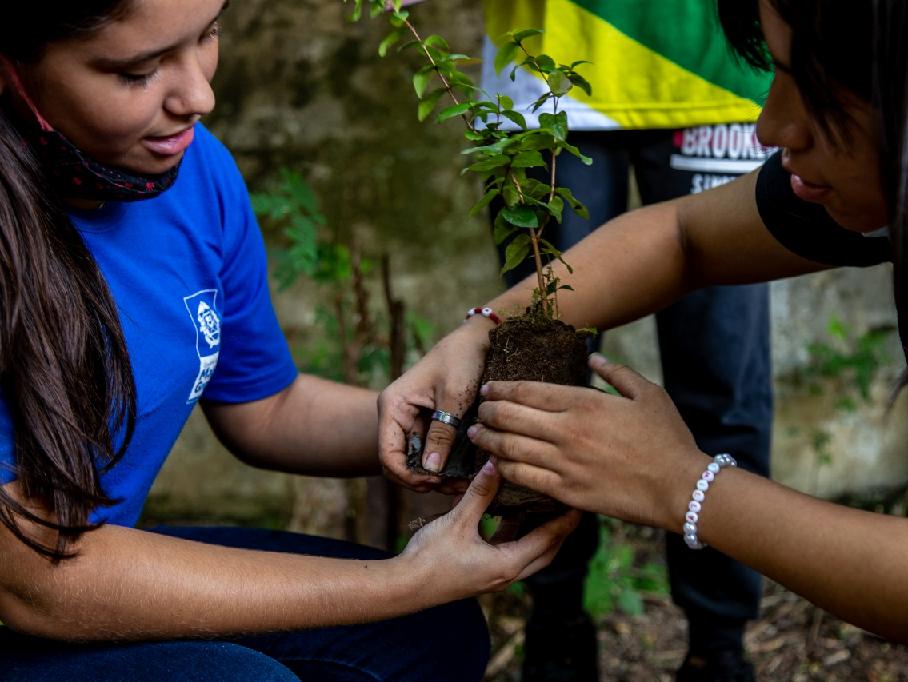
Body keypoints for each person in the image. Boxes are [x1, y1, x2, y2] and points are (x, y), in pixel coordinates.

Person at [380, 0, 908, 676]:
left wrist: (686, 486)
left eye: (803, 79)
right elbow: (681, 237)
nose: (770, 125)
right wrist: (487, 324)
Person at [0, 3, 579, 680]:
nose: (200, 96)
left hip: (68, 577)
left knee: (431, 635)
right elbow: (34, 579)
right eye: (137, 70)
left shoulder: (194, 176)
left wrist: (459, 433)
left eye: (208, 34)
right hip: (35, 588)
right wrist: (405, 580)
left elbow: (263, 407)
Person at [477, 2, 773, 680]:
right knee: (541, 371)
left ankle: (718, 645)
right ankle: (553, 626)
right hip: (541, 74)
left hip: (714, 66)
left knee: (723, 377)